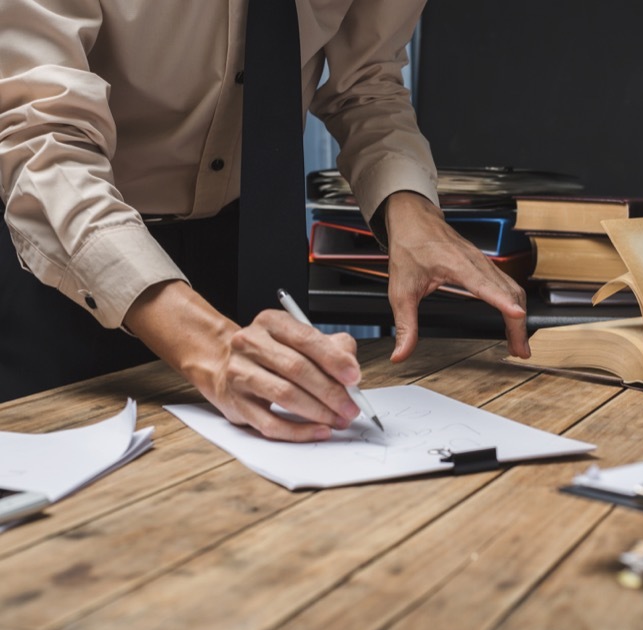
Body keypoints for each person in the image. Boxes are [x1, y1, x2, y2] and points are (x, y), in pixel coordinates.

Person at [0, 1, 530, 440]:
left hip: (245, 246)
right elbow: (41, 143)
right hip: (65, 258)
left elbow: (367, 82)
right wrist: (207, 344)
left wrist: (410, 208)